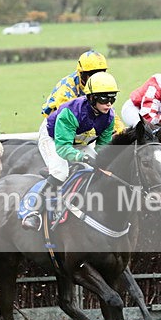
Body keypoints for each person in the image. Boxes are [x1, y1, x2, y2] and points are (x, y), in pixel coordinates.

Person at [21, 72, 119, 230]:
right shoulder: (71, 112)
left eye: (112, 98)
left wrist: (102, 160)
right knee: (60, 172)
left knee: (100, 169)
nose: (109, 104)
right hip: (54, 138)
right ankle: (33, 211)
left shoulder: (109, 117)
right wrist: (82, 157)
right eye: (104, 99)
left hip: (78, 140)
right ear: (92, 98)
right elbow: (63, 147)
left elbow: (103, 147)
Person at [40, 50, 108, 116]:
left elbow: (109, 113)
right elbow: (67, 117)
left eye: (101, 73)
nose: (97, 78)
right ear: (82, 74)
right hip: (56, 121)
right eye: (93, 74)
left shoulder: (102, 84)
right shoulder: (66, 87)